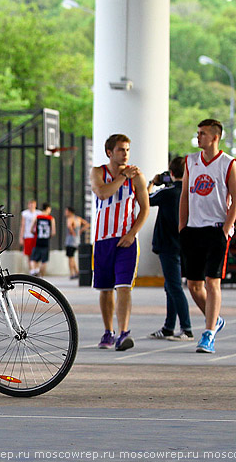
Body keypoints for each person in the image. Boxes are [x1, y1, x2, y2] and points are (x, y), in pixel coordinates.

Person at [91, 133, 149, 352]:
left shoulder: (137, 178)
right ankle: (109, 331)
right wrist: (123, 178)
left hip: (126, 240)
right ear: (109, 152)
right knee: (105, 289)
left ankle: (124, 333)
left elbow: (144, 209)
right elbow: (103, 193)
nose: (125, 154)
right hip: (102, 240)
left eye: (127, 150)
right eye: (120, 150)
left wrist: (132, 233)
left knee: (123, 287)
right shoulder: (98, 172)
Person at [179, 119, 233, 353]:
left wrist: (225, 229)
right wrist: (182, 225)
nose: (198, 137)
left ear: (214, 137)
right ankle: (215, 319)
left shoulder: (228, 163)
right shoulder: (191, 162)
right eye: (198, 133)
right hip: (193, 230)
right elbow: (184, 195)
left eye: (202, 133)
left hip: (216, 229)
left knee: (212, 282)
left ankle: (208, 333)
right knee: (193, 285)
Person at [147, 157, 192, 341]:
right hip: (185, 244)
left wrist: (153, 182)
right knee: (171, 286)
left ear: (171, 173)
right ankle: (168, 327)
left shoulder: (168, 193)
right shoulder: (190, 192)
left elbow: (146, 199)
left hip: (168, 245)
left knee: (174, 287)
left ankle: (186, 328)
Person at [29, 203, 55, 277]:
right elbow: (53, 232)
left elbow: (31, 229)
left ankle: (34, 271)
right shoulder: (51, 219)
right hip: (46, 241)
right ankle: (41, 276)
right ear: (47, 208)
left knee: (33, 258)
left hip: (38, 240)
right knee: (44, 261)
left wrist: (35, 233)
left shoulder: (37, 217)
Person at [64, 207, 89, 280]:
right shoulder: (78, 219)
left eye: (66, 211)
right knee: (73, 256)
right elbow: (87, 224)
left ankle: (72, 273)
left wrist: (73, 232)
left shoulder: (70, 219)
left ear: (70, 212)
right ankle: (77, 272)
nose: (65, 213)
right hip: (77, 240)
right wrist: (80, 231)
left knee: (70, 257)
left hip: (70, 240)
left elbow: (69, 226)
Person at [19, 200, 40, 273]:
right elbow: (23, 225)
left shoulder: (38, 213)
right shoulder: (25, 213)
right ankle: (31, 269)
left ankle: (36, 268)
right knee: (29, 254)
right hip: (27, 235)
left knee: (36, 253)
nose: (31, 206)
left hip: (35, 236)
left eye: (33, 204)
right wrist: (21, 237)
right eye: (30, 204)